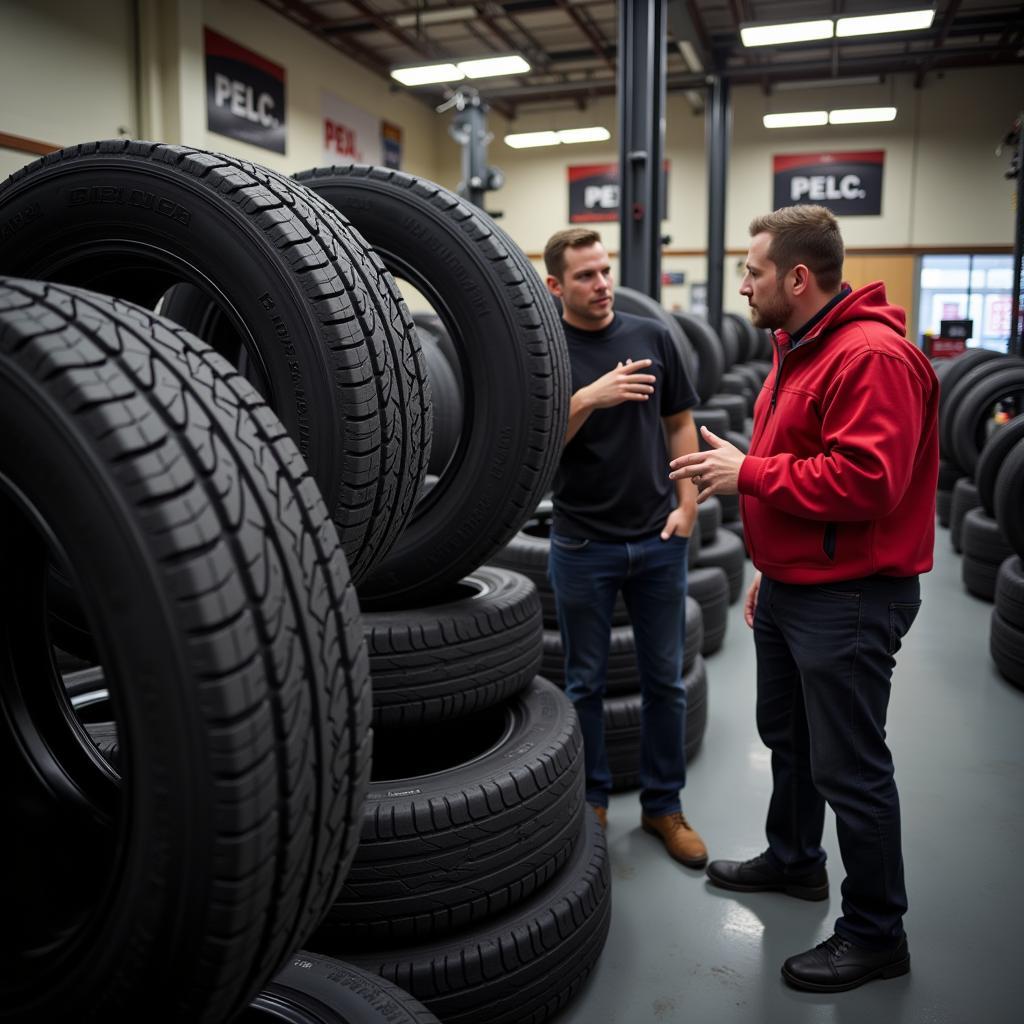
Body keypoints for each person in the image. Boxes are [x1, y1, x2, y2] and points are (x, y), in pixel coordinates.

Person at [669, 204, 939, 991]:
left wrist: (747, 473)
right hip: (797, 585)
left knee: (850, 768)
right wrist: (768, 566)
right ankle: (794, 860)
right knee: (788, 737)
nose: (743, 287)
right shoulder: (801, 348)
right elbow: (806, 463)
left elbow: (868, 481)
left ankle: (876, 930)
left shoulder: (871, 357)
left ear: (796, 276)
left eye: (752, 272)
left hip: (853, 598)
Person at [542, 227, 706, 867]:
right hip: (582, 544)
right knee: (584, 683)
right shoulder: (545, 349)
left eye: (604, 270)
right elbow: (537, 445)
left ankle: (665, 807)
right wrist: (587, 396)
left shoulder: (652, 335)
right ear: (556, 285)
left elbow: (678, 422)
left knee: (664, 681)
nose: (602, 284)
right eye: (584, 275)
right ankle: (592, 801)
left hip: (658, 540)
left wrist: (689, 505)